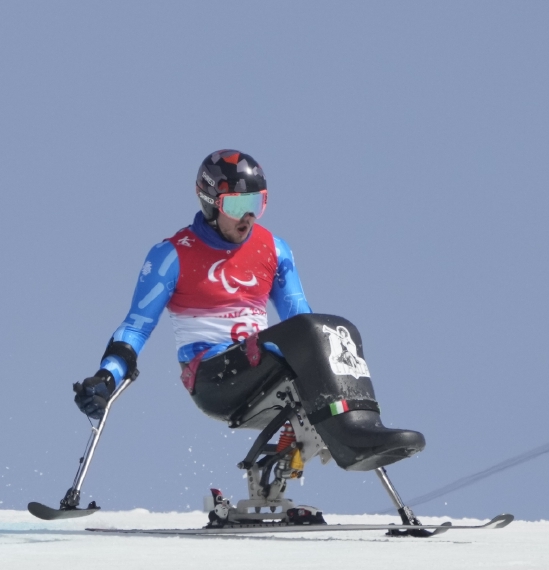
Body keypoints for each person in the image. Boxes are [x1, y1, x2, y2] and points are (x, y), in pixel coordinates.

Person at [73, 150, 423, 482]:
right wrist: (107, 376)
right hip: (213, 379)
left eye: (257, 204)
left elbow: (304, 320)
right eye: (238, 205)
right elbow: (136, 327)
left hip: (265, 370)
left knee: (338, 330)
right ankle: (351, 438)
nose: (248, 216)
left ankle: (363, 428)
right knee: (310, 331)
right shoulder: (172, 254)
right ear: (210, 202)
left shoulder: (273, 248)